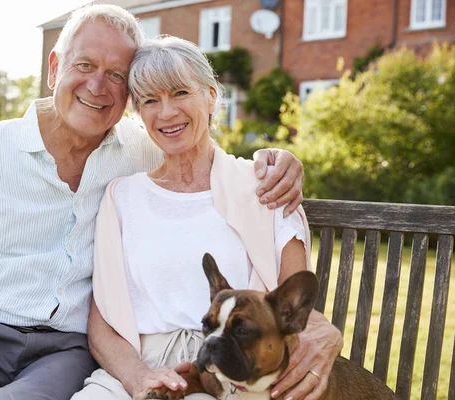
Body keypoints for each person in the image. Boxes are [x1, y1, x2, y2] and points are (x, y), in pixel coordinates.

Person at [0, 5, 307, 400]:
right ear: (54, 68)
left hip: (64, 351)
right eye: (84, 65)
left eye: (117, 75)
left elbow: (197, 145)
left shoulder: (141, 151)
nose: (98, 87)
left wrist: (280, 160)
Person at [72, 36, 342, 400]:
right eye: (150, 100)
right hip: (137, 367)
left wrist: (327, 333)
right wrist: (140, 379)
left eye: (181, 93)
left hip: (239, 372)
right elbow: (102, 326)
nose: (166, 113)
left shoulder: (266, 187)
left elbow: (297, 311)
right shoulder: (122, 196)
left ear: (212, 95)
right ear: (138, 112)